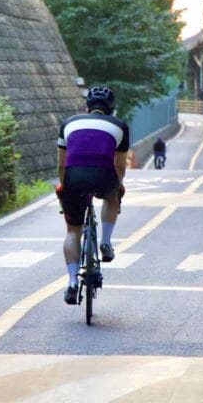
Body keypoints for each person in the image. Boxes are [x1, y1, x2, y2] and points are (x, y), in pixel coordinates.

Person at [56, 86, 129, 305]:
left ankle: (71, 282)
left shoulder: (68, 124)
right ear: (111, 109)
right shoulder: (120, 126)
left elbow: (61, 164)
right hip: (103, 176)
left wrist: (64, 186)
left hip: (73, 178)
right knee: (112, 194)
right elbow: (119, 166)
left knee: (72, 231)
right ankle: (105, 243)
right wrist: (118, 186)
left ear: (87, 107)